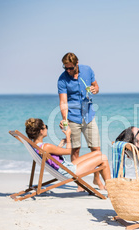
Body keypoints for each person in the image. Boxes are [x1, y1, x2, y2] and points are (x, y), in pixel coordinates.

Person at [57, 52, 103, 190]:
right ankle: (79, 181)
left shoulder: (87, 70)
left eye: (70, 68)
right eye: (65, 68)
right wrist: (64, 120)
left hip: (89, 115)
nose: (68, 71)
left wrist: (95, 89)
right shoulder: (62, 79)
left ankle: (96, 179)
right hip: (73, 117)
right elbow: (63, 101)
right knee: (75, 150)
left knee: (96, 149)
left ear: (77, 64)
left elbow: (96, 87)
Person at [25, 118, 111, 188]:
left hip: (65, 167)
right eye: (45, 127)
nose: (47, 128)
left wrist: (60, 144)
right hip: (68, 171)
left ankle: (100, 181)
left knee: (97, 153)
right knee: (103, 158)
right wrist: (68, 135)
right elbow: (69, 151)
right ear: (41, 131)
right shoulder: (46, 146)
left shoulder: (36, 146)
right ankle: (111, 187)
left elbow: (51, 159)